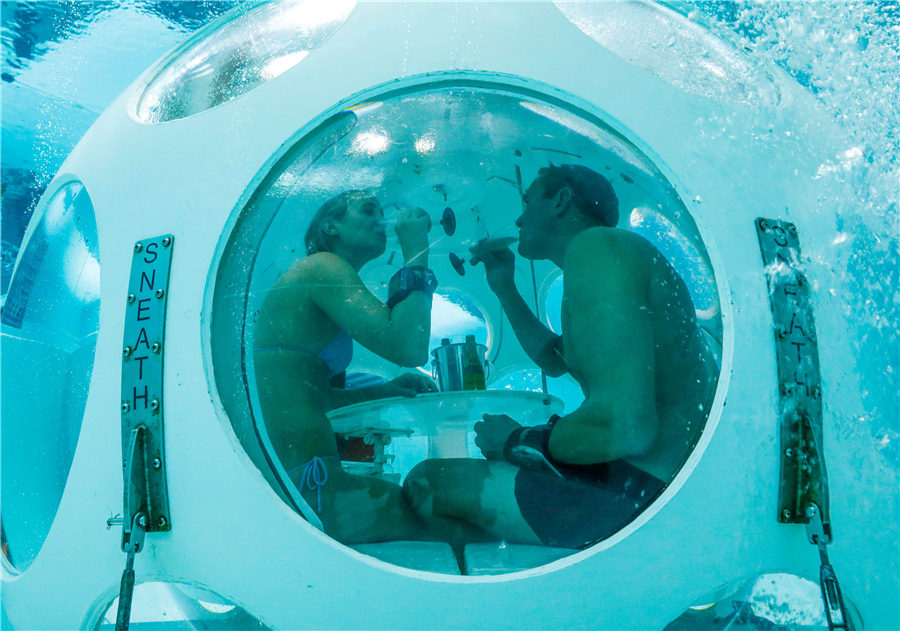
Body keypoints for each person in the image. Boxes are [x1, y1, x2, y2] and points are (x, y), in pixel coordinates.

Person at [403, 164, 718, 549]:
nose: (520, 219)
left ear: (561, 201)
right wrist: (503, 286)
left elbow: (626, 428)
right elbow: (554, 359)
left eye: (528, 202)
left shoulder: (597, 248)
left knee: (426, 481)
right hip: (656, 483)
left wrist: (519, 439)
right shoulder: (606, 258)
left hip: (640, 496)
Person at [253, 189, 448, 544]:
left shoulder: (316, 276)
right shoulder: (322, 267)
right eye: (368, 210)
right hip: (315, 487)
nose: (381, 220)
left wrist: (384, 390)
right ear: (331, 226)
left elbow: (314, 399)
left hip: (302, 479)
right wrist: (417, 250)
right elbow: (409, 347)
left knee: (437, 506)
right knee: (446, 515)